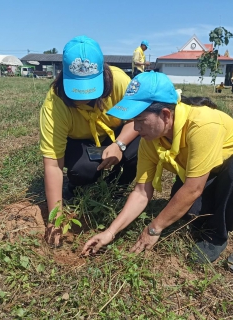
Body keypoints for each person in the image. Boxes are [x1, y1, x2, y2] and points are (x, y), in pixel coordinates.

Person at [82, 72, 233, 263]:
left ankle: (217, 235)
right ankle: (215, 202)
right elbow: (141, 192)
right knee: (190, 211)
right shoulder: (150, 140)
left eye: (141, 121)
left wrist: (154, 228)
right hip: (211, 172)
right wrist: (110, 232)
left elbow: (193, 189)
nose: (136, 129)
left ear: (165, 115)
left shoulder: (202, 124)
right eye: (133, 121)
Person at [40, 36, 140, 246]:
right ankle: (78, 186)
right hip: (79, 142)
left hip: (115, 134)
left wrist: (119, 145)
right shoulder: (54, 103)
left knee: (138, 150)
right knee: (83, 169)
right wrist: (54, 220)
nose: (83, 97)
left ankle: (116, 189)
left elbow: (137, 119)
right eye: (77, 89)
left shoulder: (120, 81)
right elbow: (52, 163)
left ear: (103, 74)